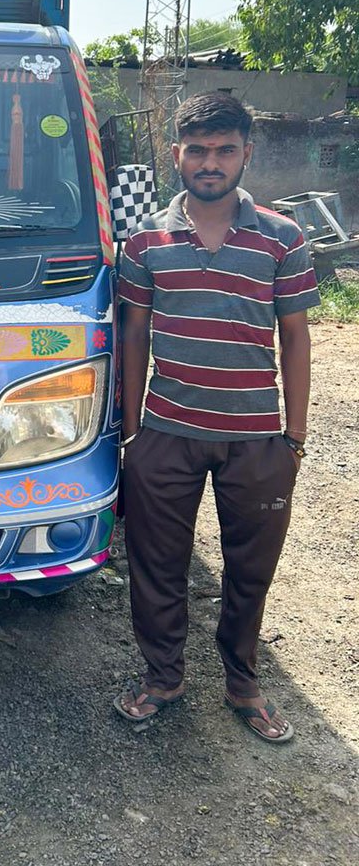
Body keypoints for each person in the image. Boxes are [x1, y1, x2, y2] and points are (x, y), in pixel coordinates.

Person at [114, 92, 319, 743]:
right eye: (197, 149)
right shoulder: (144, 239)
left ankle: (243, 684)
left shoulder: (282, 237)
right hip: (166, 435)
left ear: (245, 154)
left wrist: (294, 437)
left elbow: (296, 338)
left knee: (250, 570)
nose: (210, 162)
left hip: (257, 442)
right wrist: (132, 435)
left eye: (224, 149)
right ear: (176, 154)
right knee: (156, 564)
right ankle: (162, 678)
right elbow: (134, 336)